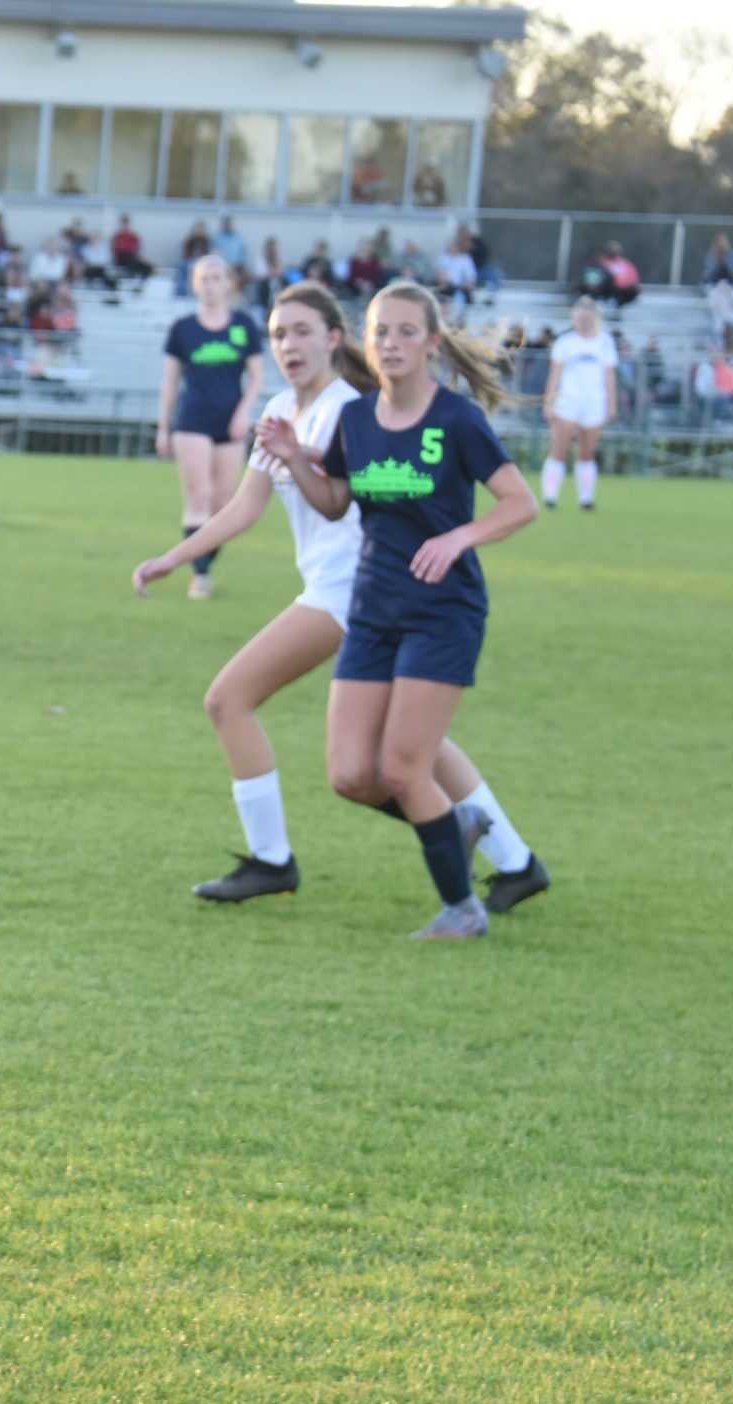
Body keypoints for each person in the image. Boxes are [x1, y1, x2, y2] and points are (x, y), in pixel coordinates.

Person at [129, 282, 548, 910]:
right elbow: (245, 507)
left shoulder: (348, 409)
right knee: (415, 747)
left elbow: (342, 505)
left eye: (302, 332)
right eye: (277, 334)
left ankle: (273, 859)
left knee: (229, 699)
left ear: (332, 339)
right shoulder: (283, 408)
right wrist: (177, 555)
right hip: (345, 592)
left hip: (356, 592)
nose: (288, 346)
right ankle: (514, 860)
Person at [259, 282, 543, 939]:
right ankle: (451, 823)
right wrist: (295, 456)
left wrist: (457, 537)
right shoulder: (356, 420)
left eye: (406, 332)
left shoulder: (456, 420)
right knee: (350, 774)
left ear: (432, 345)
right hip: (373, 608)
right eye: (381, 332)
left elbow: (519, 503)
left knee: (401, 767)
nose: (390, 343)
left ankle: (462, 908)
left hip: (444, 613)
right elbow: (333, 500)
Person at [156, 254, 267, 600]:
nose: (210, 285)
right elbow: (170, 383)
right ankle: (199, 575)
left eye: (217, 278)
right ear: (195, 285)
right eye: (204, 278)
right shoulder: (183, 329)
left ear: (229, 283)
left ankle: (204, 564)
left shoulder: (243, 326)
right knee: (199, 497)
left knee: (223, 502)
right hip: (191, 422)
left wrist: (243, 412)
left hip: (229, 423)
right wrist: (164, 428)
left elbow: (256, 377)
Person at [539, 297, 617, 512]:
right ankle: (550, 496)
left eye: (588, 314)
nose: (584, 319)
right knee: (559, 448)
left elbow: (609, 375)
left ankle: (586, 498)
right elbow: (555, 374)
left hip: (594, 401)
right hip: (569, 400)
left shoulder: (605, 342)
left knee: (587, 451)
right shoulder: (566, 342)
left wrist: (611, 403)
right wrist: (549, 401)